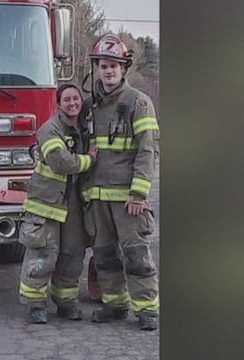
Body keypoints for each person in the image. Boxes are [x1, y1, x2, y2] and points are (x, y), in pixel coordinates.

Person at [81, 33, 160, 330]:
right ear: (97, 68)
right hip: (98, 198)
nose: (108, 70)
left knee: (137, 256)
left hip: (128, 200)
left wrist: (139, 194)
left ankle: (146, 309)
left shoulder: (139, 103)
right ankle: (114, 305)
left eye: (114, 65)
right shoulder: (89, 105)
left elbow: (147, 150)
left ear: (124, 68)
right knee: (104, 257)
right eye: (103, 65)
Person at [19, 84, 98, 324]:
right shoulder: (49, 129)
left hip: (74, 202)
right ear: (59, 104)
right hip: (46, 202)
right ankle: (36, 304)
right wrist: (90, 159)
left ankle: (66, 302)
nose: (73, 103)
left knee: (72, 255)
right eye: (67, 100)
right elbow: (60, 162)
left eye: (76, 98)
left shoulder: (86, 129)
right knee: (43, 254)